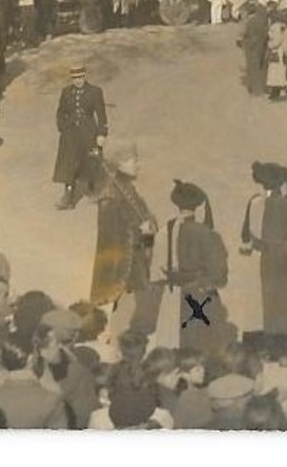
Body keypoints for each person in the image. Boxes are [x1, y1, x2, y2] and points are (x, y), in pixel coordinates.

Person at [244, 162, 287, 365]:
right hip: (284, 256)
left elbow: (246, 234)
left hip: (265, 256)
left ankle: (269, 347)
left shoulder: (255, 203)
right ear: (281, 184)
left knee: (270, 300)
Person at [158, 179, 233, 356]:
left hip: (171, 296)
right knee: (203, 347)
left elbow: (158, 266)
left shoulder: (165, 231)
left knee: (175, 344)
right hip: (198, 295)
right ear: (197, 206)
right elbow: (219, 273)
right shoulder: (206, 234)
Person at [90, 142, 157, 339]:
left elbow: (146, 215)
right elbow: (112, 240)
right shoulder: (110, 198)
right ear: (120, 164)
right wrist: (141, 232)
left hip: (132, 267)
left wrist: (148, 226)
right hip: (120, 271)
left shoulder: (127, 189)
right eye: (134, 161)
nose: (138, 165)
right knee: (120, 322)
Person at [53, 65, 108, 211]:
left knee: (91, 159)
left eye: (80, 77)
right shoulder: (66, 92)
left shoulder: (95, 92)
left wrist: (102, 133)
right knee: (68, 162)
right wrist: (62, 126)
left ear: (85, 76)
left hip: (88, 131)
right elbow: (60, 112)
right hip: (70, 133)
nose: (78, 81)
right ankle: (68, 197)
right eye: (75, 78)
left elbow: (101, 115)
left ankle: (94, 188)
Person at [238, 0, 269, 97]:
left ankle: (254, 88)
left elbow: (243, 32)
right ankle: (262, 87)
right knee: (261, 64)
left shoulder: (249, 20)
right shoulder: (262, 10)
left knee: (252, 65)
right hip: (261, 41)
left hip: (250, 43)